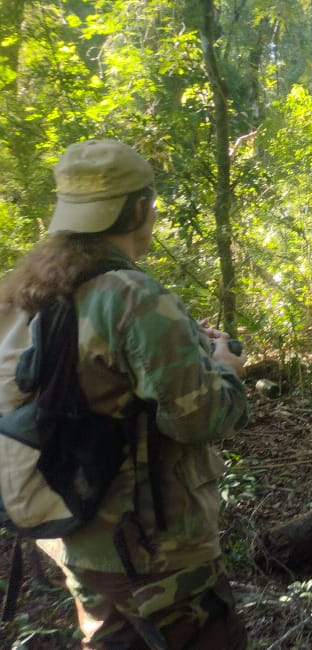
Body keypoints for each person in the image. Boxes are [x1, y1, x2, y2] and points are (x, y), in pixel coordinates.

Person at [0, 139, 250, 647]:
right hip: (156, 555)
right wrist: (225, 368)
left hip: (72, 535)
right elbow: (201, 419)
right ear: (139, 209)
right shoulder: (135, 296)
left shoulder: (21, 290)